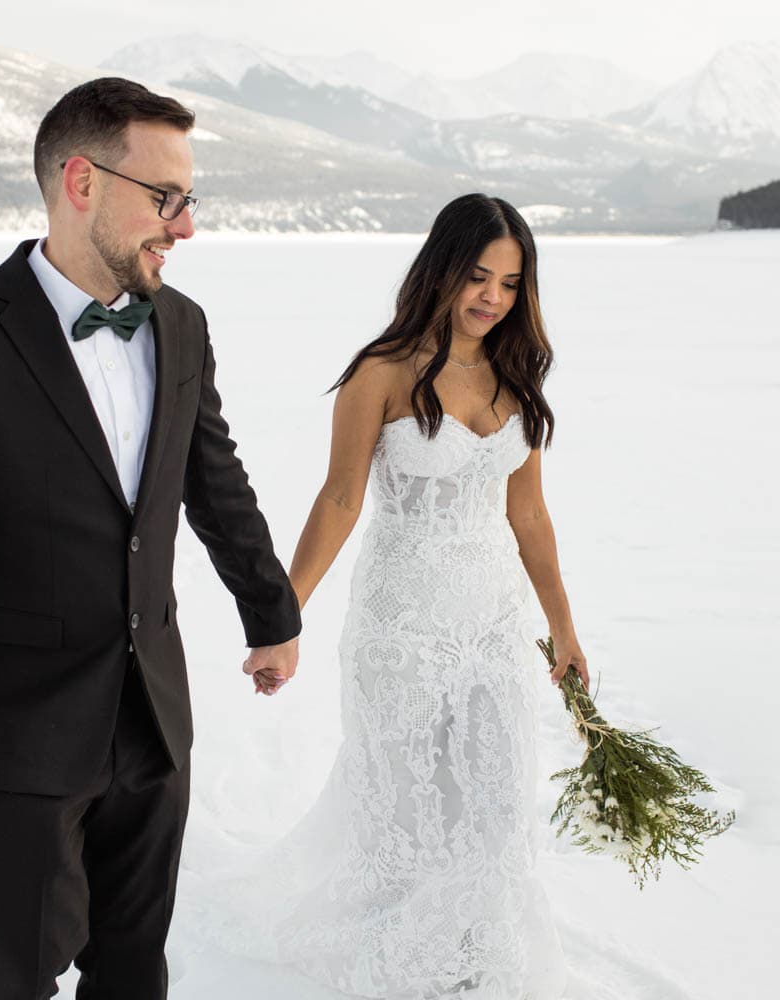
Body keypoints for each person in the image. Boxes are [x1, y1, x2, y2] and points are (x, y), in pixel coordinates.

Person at [0, 77, 301, 1000]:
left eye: (189, 202)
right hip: (18, 728)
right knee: (20, 966)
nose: (184, 228)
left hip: (152, 716)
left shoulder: (181, 323)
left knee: (135, 964)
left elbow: (211, 477)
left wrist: (272, 611)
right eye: (165, 199)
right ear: (82, 183)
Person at [182, 193, 588, 999]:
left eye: (510, 283)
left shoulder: (516, 374)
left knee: (500, 811)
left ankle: (483, 968)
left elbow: (529, 512)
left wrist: (563, 630)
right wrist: (280, 617)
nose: (492, 299)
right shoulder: (382, 372)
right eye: (478, 276)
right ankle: (404, 971)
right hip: (400, 630)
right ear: (441, 268)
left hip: (492, 630)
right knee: (408, 823)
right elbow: (339, 500)